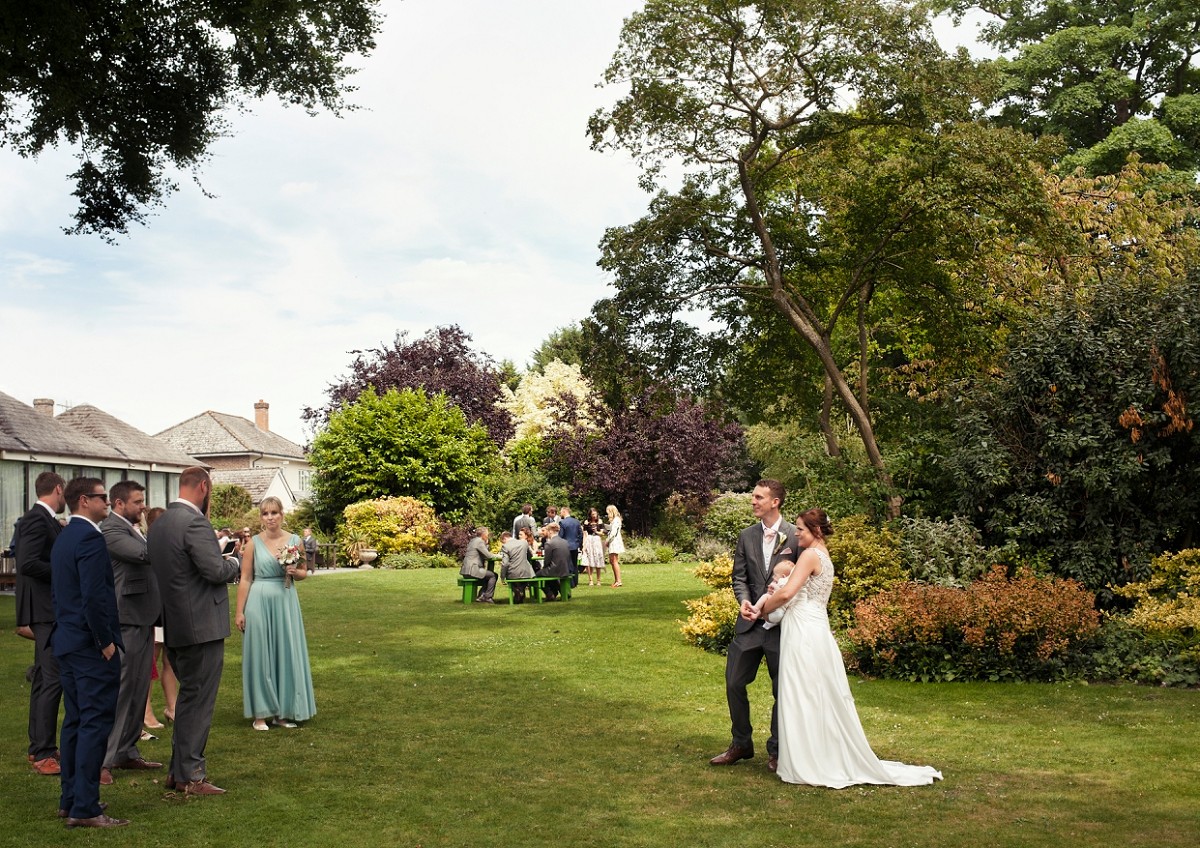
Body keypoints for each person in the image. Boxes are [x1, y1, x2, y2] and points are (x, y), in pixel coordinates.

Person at [755, 509, 943, 788]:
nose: (796, 534)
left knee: (802, 692)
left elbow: (786, 593)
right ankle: (816, 755)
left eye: (801, 530)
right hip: (814, 628)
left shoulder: (809, 556)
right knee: (814, 693)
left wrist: (761, 611)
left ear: (816, 531)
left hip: (804, 632)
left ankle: (809, 761)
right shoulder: (825, 557)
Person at [147, 466, 240, 795]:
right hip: (201, 626)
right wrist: (235, 562)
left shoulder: (160, 524)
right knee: (199, 702)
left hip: (173, 624)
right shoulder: (195, 522)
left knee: (187, 698)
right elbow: (214, 569)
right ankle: (191, 776)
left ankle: (178, 770)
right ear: (203, 486)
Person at [51, 477, 128, 828]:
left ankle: (72, 799)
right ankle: (85, 807)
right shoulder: (90, 538)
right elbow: (94, 597)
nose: (107, 503)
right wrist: (105, 642)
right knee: (93, 724)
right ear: (84, 500)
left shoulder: (65, 536)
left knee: (76, 722)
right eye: (102, 498)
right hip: (88, 646)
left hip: (66, 641)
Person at [710, 480, 797, 773]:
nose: (753, 502)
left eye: (759, 498)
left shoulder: (796, 537)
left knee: (781, 690)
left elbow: (800, 580)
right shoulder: (746, 536)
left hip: (782, 627)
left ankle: (777, 751)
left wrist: (773, 607)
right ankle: (741, 743)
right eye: (753, 498)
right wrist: (744, 602)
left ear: (775, 502)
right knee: (734, 681)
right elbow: (740, 576)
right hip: (749, 626)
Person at [100, 481, 163, 784]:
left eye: (143, 500)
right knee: (124, 690)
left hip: (143, 617)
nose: (143, 507)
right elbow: (143, 555)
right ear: (118, 503)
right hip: (126, 618)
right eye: (137, 502)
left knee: (139, 688)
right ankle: (106, 758)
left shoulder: (132, 527)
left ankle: (127, 751)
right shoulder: (112, 530)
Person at [235, 497, 316, 731]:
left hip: (285, 599)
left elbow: (304, 572)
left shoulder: (294, 541)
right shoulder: (253, 544)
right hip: (258, 599)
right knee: (260, 654)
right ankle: (260, 713)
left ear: (282, 514)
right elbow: (246, 579)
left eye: (274, 513)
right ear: (261, 517)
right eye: (265, 513)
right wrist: (239, 611)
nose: (270, 517)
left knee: (285, 652)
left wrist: (295, 571)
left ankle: (282, 712)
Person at [15, 470, 66, 776]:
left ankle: (39, 747)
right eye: (65, 495)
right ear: (58, 489)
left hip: (45, 608)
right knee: (52, 678)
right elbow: (28, 563)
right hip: (45, 610)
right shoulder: (37, 519)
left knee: (44, 679)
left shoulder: (41, 519)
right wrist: (64, 570)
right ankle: (43, 751)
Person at [750, 560, 794, 631]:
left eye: (775, 575)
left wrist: (773, 586)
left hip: (776, 611)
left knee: (766, 596)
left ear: (783, 576)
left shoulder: (782, 583)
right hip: (781, 614)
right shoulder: (791, 584)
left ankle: (756, 608)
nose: (773, 577)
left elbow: (780, 591)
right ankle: (757, 615)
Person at [459, 527, 500, 604]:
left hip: (466, 570)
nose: (488, 535)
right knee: (493, 575)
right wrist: (500, 556)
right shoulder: (479, 542)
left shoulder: (473, 541)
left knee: (487, 575)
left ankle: (482, 596)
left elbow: (483, 553)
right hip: (472, 570)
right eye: (487, 534)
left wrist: (486, 544)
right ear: (483, 534)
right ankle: (487, 597)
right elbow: (488, 556)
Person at [537, 522, 571, 601]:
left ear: (551, 531)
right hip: (565, 569)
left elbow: (547, 561)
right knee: (549, 575)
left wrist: (543, 568)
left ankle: (550, 594)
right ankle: (562, 592)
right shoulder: (565, 542)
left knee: (537, 574)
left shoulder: (549, 543)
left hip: (554, 570)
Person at [499, 530, 534, 603]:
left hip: (513, 573)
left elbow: (505, 563)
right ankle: (521, 591)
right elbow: (530, 556)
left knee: (514, 578)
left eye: (503, 541)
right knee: (521, 580)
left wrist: (502, 577)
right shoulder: (524, 542)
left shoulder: (505, 546)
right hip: (526, 572)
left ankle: (518, 592)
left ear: (504, 538)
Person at [557, 506, 583, 588]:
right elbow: (581, 534)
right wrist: (579, 544)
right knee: (575, 565)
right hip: (574, 546)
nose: (560, 514)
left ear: (564, 512)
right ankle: (575, 582)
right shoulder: (576, 522)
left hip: (566, 546)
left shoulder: (562, 523)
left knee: (567, 565)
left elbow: (561, 535)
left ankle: (571, 583)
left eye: (561, 512)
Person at [581, 507, 606, 587]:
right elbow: (585, 534)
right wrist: (584, 545)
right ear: (590, 515)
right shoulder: (586, 522)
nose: (594, 516)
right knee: (589, 560)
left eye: (595, 514)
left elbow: (602, 534)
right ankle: (590, 580)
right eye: (593, 514)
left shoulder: (600, 521)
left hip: (597, 540)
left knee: (597, 560)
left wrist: (596, 531)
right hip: (589, 540)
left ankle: (598, 580)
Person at [605, 505, 625, 588]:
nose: (607, 514)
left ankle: (618, 581)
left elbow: (614, 532)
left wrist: (607, 540)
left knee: (614, 561)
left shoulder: (616, 520)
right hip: (613, 541)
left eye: (608, 512)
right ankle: (616, 580)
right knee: (612, 561)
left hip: (615, 542)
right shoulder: (613, 520)